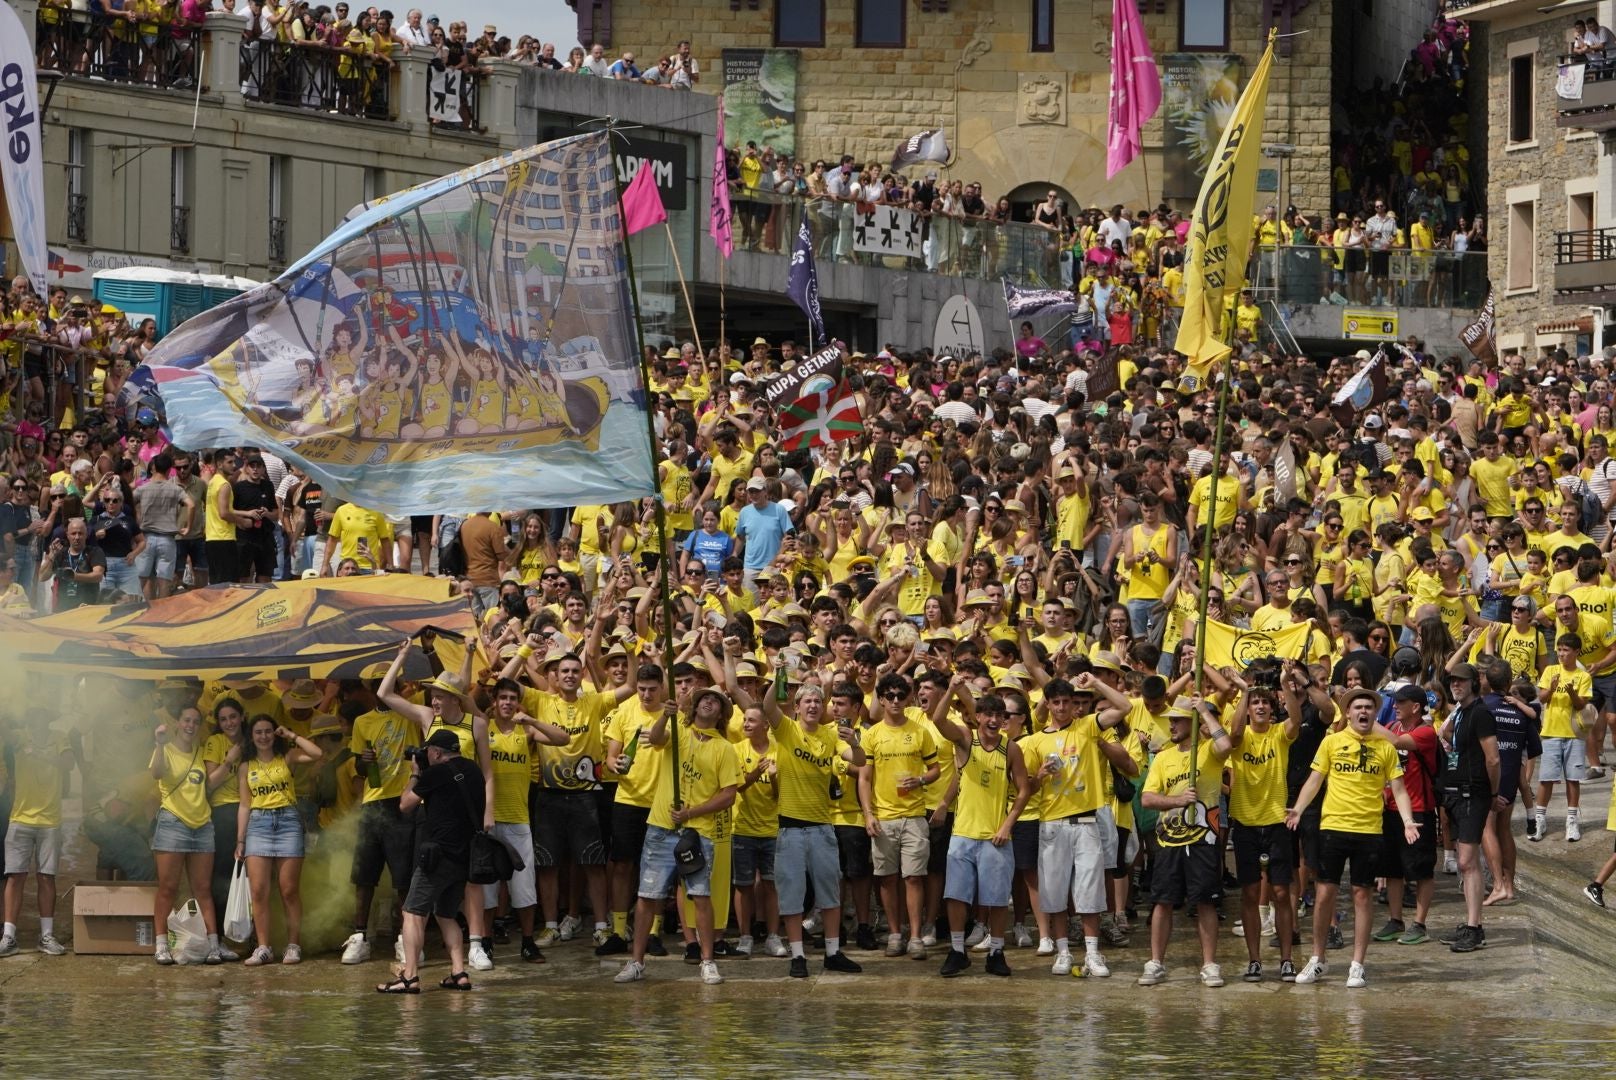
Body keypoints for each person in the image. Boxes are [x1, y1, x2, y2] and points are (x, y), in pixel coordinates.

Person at [1286, 687, 1421, 988]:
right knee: (1324, 895)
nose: (1363, 712)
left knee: (1362, 895)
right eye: (1358, 707)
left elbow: (1398, 789)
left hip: (1369, 830)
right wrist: (1297, 809)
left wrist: (1408, 821)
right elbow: (1314, 780)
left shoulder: (1385, 748)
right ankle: (1317, 958)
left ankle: (1357, 964)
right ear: (1347, 713)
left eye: (1369, 708)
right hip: (1333, 827)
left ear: (1375, 714)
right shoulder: (1332, 742)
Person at [614, 686, 739, 985]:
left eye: (716, 701)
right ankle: (636, 961)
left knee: (701, 896)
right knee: (647, 896)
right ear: (694, 708)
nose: (709, 702)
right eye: (705, 699)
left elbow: (729, 795)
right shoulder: (679, 732)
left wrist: (691, 813)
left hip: (699, 832)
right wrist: (666, 716)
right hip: (660, 827)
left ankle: (707, 961)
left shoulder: (725, 748)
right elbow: (656, 740)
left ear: (721, 714)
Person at [930, 684, 1032, 977]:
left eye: (998, 715)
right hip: (963, 834)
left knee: (997, 898)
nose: (993, 720)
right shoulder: (965, 739)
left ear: (1005, 719)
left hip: (995, 837)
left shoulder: (1011, 748)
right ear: (978, 716)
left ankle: (996, 951)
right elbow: (938, 720)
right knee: (956, 896)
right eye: (987, 714)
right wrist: (949, 690)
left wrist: (1007, 824)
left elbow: (1024, 790)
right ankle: (957, 950)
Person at [376, 728, 486, 994]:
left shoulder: (434, 774)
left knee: (412, 913)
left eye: (428, 752)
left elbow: (405, 804)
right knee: (446, 915)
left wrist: (416, 773)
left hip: (436, 857)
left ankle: (410, 977)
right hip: (464, 857)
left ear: (436, 752)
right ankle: (459, 973)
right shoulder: (473, 771)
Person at [1138, 698, 1233, 987]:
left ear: (1192, 723)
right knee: (1163, 901)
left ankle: (1209, 964)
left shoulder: (1207, 751)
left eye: (1178, 720)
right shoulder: (1163, 758)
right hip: (1168, 842)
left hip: (1204, 838)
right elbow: (1147, 798)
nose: (1172, 725)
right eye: (1171, 720)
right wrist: (1178, 801)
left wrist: (1204, 711)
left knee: (1205, 901)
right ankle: (1156, 962)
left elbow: (1226, 745)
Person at [235, 715, 323, 966]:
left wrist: (292, 735)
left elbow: (316, 754)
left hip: (288, 822)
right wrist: (240, 840)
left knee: (289, 890)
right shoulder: (246, 766)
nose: (263, 736)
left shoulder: (288, 757)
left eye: (268, 731)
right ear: (251, 737)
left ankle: (293, 945)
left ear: (275, 734)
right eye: (258, 732)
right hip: (258, 824)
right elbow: (244, 805)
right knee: (259, 890)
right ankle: (263, 947)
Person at [149, 706, 227, 965]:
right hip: (173, 823)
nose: (190, 725)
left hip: (203, 825)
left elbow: (209, 783)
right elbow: (156, 773)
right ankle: (161, 945)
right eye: (186, 720)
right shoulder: (166, 749)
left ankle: (213, 945)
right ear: (177, 723)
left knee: (203, 889)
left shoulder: (201, 751)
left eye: (195, 721)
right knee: (168, 888)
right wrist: (159, 744)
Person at [0, 711, 79, 957]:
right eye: (33, 713)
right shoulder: (18, 737)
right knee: (15, 877)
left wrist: (42, 754)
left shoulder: (59, 737)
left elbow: (68, 764)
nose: (37, 718)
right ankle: (9, 936)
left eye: (41, 713)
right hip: (20, 817)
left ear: (48, 717)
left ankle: (46, 935)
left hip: (50, 820)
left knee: (47, 877)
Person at [1439, 661, 1500, 953]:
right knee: (1466, 862)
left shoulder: (1481, 713)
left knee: (1467, 861)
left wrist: (1493, 792)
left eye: (1461, 681)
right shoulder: (1462, 713)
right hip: (1458, 793)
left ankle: (1475, 927)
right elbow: (1445, 732)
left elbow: (1493, 759)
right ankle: (1471, 923)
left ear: (1474, 683)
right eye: (1453, 682)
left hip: (1474, 794)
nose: (1455, 685)